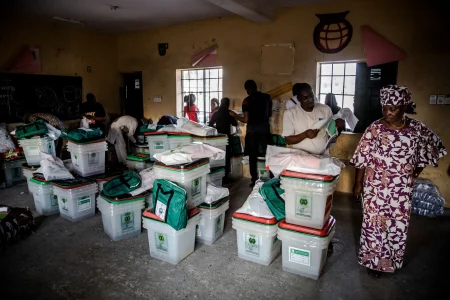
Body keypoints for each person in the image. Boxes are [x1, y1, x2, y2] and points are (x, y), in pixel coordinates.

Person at [351, 85, 446, 278]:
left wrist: (416, 171)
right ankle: (374, 263)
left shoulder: (417, 130)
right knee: (374, 225)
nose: (388, 112)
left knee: (397, 226)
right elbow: (362, 158)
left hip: (401, 190)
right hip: (376, 188)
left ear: (404, 106)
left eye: (392, 108)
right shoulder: (375, 129)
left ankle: (391, 260)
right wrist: (358, 183)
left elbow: (434, 148)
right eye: (385, 107)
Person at [230, 80, 272, 188]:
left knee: (253, 156)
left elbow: (245, 119)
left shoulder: (246, 101)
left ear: (247, 89)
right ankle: (271, 178)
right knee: (269, 154)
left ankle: (254, 180)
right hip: (264, 129)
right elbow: (269, 114)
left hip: (253, 131)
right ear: (256, 87)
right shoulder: (267, 97)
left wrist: (234, 115)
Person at [282, 83, 344, 155]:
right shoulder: (290, 113)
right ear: (298, 99)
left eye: (312, 95)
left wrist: (339, 129)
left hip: (323, 156)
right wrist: (305, 135)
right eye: (306, 98)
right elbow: (288, 140)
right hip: (301, 158)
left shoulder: (325, 109)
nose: (310, 100)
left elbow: (331, 135)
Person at [209, 97, 238, 177]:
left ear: (221, 103)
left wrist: (217, 129)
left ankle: (218, 174)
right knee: (227, 156)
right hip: (227, 138)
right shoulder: (229, 113)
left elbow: (210, 124)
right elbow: (235, 124)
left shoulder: (216, 113)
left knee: (218, 156)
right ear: (228, 104)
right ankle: (225, 175)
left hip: (218, 138)